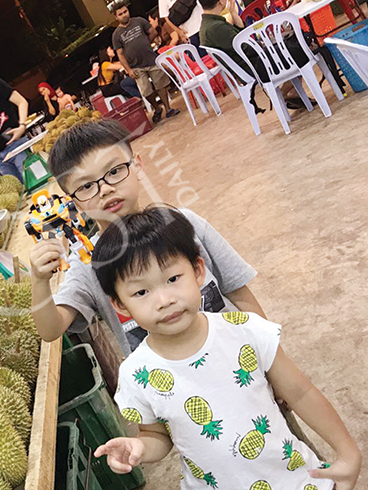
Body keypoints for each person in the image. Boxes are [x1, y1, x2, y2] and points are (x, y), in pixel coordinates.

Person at [92, 207, 367, 490]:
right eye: (141, 292)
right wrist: (138, 448)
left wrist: (347, 452)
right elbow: (157, 437)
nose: (164, 299)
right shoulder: (137, 374)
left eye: (173, 278)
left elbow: (302, 393)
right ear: (121, 307)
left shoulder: (246, 332)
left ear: (199, 272)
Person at [28, 119, 262, 356]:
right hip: (169, 389)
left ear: (137, 166)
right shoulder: (88, 262)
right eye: (86, 186)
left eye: (114, 171)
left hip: (240, 360)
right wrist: (39, 281)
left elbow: (238, 293)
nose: (106, 189)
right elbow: (51, 329)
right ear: (74, 201)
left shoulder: (186, 223)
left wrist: (267, 353)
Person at [199, 0, 344, 111]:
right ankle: (285, 92)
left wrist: (235, 17)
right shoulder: (216, 28)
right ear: (220, 2)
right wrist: (266, 45)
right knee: (302, 46)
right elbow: (246, 47)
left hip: (251, 64)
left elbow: (240, 39)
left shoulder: (209, 25)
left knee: (294, 44)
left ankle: (290, 91)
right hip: (256, 65)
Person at [109, 1, 179, 123]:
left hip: (151, 59)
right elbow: (120, 54)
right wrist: (128, 70)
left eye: (125, 11)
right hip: (136, 66)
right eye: (120, 14)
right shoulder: (116, 35)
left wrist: (146, 42)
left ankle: (168, 109)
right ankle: (157, 108)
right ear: (116, 17)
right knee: (146, 91)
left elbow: (153, 32)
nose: (124, 15)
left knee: (161, 85)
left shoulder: (139, 21)